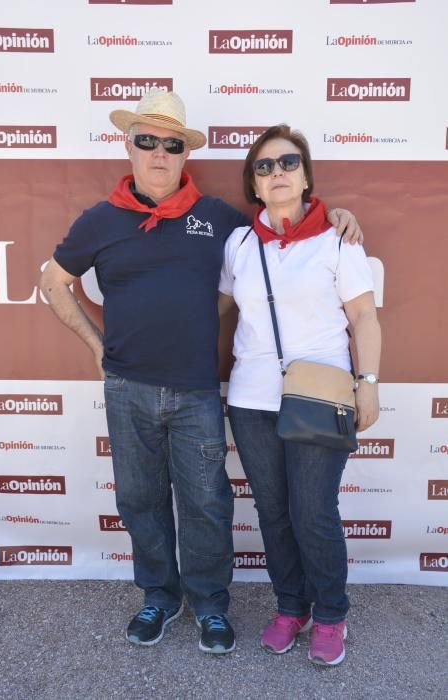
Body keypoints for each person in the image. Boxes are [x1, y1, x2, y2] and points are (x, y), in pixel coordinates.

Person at [40, 91, 364, 655]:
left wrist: (337, 216)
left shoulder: (218, 219)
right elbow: (53, 284)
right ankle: (158, 598)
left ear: (184, 153)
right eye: (147, 141)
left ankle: (212, 606)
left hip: (195, 391)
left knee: (206, 504)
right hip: (126, 388)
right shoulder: (99, 220)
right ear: (129, 145)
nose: (159, 153)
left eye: (171, 144)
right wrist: (97, 348)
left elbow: (282, 225)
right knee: (140, 500)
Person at [219, 124, 381, 665]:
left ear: (306, 175)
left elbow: (363, 316)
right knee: (273, 511)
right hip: (250, 398)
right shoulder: (240, 243)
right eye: (264, 167)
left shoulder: (339, 239)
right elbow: (216, 310)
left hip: (319, 396)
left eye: (287, 163)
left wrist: (370, 384)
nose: (277, 173)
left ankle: (332, 614)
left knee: (313, 511)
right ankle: (292, 607)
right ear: (255, 185)